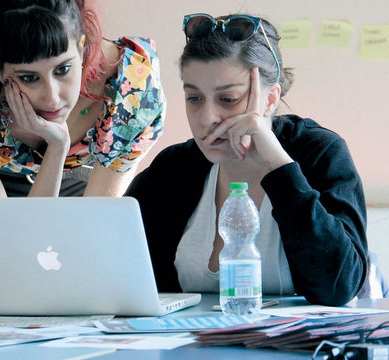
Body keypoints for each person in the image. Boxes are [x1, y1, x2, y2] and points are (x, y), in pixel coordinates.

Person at [126, 13, 367, 306]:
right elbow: (116, 270)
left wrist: (280, 167)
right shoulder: (174, 168)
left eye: (228, 99)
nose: (207, 118)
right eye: (195, 98)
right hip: (190, 345)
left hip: (293, 349)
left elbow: (341, 286)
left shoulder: (319, 153)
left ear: (269, 99)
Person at [0, 0, 165, 197]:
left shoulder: (131, 89)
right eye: (29, 78)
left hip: (78, 182)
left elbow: (96, 218)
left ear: (81, 49)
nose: (52, 99)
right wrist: (56, 147)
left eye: (63, 69)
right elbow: (2, 233)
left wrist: (57, 146)